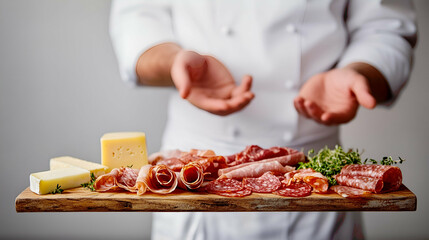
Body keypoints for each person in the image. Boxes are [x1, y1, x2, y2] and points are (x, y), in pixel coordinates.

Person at [109, 1, 417, 239]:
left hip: (316, 182)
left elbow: (385, 26)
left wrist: (360, 72)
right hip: (192, 177)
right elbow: (138, 16)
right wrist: (174, 62)